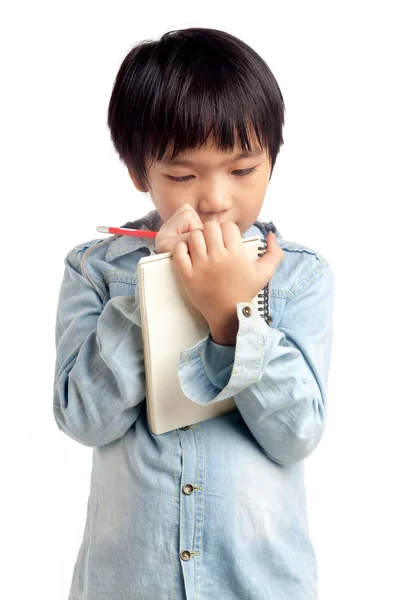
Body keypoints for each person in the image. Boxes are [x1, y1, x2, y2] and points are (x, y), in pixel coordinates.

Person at [53, 27, 335, 600]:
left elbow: (297, 434)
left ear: (272, 162)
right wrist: (151, 294)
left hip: (258, 584)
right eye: (183, 175)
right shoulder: (96, 271)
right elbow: (82, 418)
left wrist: (233, 317)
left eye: (242, 170)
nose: (214, 198)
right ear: (140, 172)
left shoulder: (299, 276)